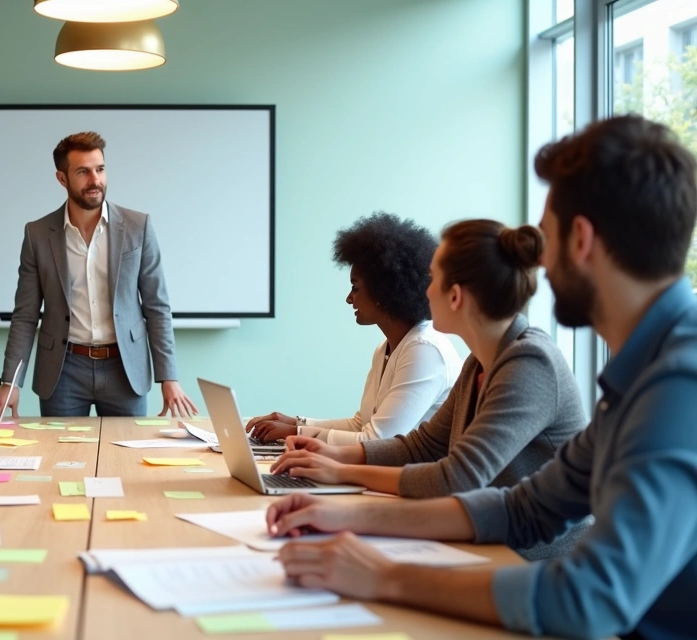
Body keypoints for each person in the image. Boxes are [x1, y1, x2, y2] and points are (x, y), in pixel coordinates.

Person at [264, 115, 697, 639]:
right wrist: (349, 518)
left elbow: (590, 599)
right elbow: (523, 507)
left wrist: (387, 577)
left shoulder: (679, 385)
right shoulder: (644, 372)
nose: (541, 262)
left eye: (547, 238)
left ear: (581, 239)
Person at [272, 219, 589, 559]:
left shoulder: (529, 363)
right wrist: (333, 454)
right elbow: (423, 447)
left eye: (433, 279)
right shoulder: (478, 363)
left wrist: (341, 472)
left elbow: (457, 479)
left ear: (455, 296)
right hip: (489, 541)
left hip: (538, 560)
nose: (424, 291)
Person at [0, 132, 197, 418]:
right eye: (83, 171)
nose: (95, 180)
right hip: (63, 370)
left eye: (100, 169)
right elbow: (25, 314)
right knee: (62, 459)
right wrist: (10, 382)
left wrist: (169, 377)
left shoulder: (137, 227)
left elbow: (157, 308)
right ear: (62, 178)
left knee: (125, 459)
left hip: (125, 368)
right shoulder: (38, 234)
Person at [248, 213, 462, 445]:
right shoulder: (386, 348)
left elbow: (377, 440)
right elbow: (360, 424)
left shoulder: (424, 351)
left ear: (384, 291)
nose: (349, 299)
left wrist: (295, 433)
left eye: (355, 288)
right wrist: (296, 423)